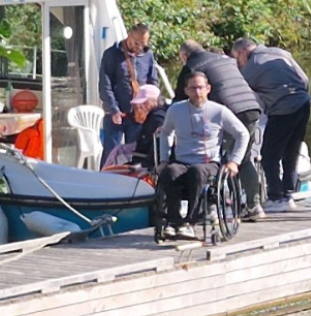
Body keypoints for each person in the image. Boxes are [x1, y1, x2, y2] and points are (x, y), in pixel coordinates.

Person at [174, 40, 265, 220]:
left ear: (185, 56)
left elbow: (179, 101)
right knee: (244, 158)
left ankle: (212, 208)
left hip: (230, 110)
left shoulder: (193, 67)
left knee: (214, 157)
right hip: (252, 107)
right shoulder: (224, 59)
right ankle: (253, 206)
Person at [156, 72, 248, 241]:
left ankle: (190, 222)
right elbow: (166, 132)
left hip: (208, 163)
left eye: (200, 88)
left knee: (197, 173)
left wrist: (235, 161)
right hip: (182, 160)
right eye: (193, 88)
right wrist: (164, 159)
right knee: (170, 172)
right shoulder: (176, 110)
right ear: (186, 90)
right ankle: (174, 222)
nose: (197, 92)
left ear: (208, 89)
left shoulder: (219, 111)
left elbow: (242, 133)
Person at [232, 37, 311, 214]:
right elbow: (305, 80)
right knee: (292, 151)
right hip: (303, 103)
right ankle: (288, 195)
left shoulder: (252, 66)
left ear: (243, 52)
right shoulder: (281, 53)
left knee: (269, 155)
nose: (239, 63)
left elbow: (240, 92)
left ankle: (276, 197)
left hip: (283, 109)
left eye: (237, 58)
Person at [99, 23, 156, 163]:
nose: (140, 47)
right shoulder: (111, 54)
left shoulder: (147, 55)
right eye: (137, 43)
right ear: (129, 36)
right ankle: (104, 180)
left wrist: (149, 108)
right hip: (117, 112)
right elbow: (105, 85)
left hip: (138, 114)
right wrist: (113, 109)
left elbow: (153, 83)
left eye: (144, 44)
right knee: (111, 152)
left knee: (135, 152)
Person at [127, 85, 169, 170]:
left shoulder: (157, 116)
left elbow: (159, 141)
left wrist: (144, 164)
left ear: (155, 101)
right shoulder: (154, 114)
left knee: (113, 165)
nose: (141, 106)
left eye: (144, 102)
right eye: (140, 103)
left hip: (144, 163)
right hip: (142, 158)